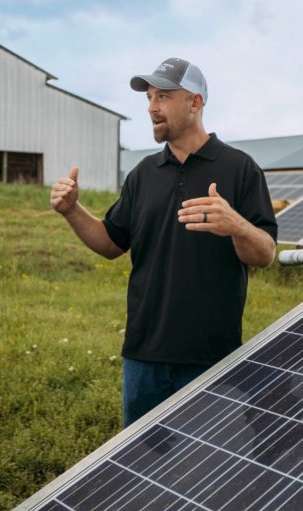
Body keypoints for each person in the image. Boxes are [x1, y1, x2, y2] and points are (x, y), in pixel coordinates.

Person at [50, 57, 277, 428]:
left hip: (211, 358)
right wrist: (73, 211)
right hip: (143, 357)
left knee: (207, 472)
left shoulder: (240, 168)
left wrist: (237, 225)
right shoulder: (143, 175)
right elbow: (110, 243)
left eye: (164, 96)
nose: (152, 107)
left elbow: (264, 253)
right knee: (141, 467)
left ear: (196, 102)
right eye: (150, 98)